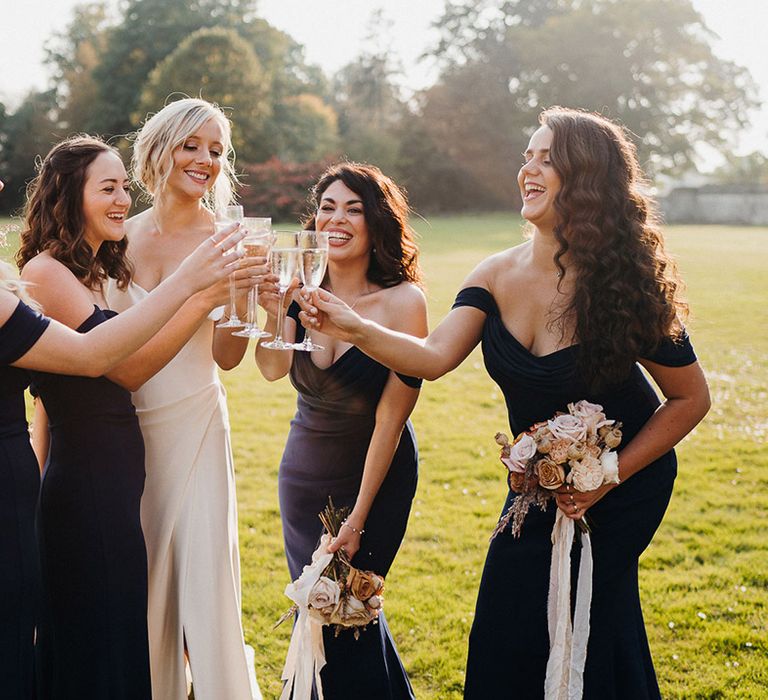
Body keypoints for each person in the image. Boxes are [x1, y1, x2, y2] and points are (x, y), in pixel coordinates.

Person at [299, 109, 711, 698]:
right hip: (532, 488)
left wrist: (610, 474)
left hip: (624, 487)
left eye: (547, 158)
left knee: (592, 623)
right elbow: (432, 357)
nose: (529, 169)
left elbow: (690, 398)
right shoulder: (493, 274)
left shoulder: (626, 281)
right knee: (504, 622)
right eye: (527, 156)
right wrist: (353, 325)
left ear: (587, 179)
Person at [10, 136, 250, 698]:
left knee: (121, 640)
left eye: (124, 186)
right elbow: (125, 368)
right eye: (108, 188)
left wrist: (218, 296)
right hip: (87, 486)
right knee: (97, 647)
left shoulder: (95, 267)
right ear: (70, 195)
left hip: (116, 482)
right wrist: (194, 288)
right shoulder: (46, 272)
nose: (123, 199)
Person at [105, 98, 261, 700]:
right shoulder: (117, 235)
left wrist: (244, 298)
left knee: (206, 584)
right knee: (141, 588)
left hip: (196, 424)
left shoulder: (229, 240)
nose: (205, 160)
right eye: (192, 145)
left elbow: (227, 357)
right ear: (159, 147)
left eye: (217, 151)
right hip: (124, 432)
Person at [255, 162, 427, 698]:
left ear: (378, 222)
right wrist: (271, 313)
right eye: (328, 206)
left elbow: (391, 418)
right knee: (321, 616)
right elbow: (271, 368)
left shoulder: (403, 302)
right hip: (303, 474)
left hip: (374, 473)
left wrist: (357, 517)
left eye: (354, 208)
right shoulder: (297, 288)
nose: (338, 218)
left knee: (352, 613)